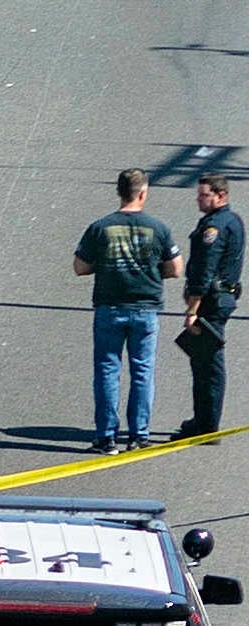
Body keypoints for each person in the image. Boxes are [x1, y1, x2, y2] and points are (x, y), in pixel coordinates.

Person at [74, 167, 180, 452]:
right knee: (143, 370)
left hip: (109, 308)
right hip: (146, 309)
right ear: (143, 193)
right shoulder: (158, 229)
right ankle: (139, 434)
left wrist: (106, 264)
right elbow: (176, 268)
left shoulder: (101, 227)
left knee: (108, 370)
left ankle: (106, 436)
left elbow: (80, 266)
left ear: (119, 191)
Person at [184, 176, 241, 440]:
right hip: (222, 298)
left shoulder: (214, 228)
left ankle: (206, 426)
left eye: (203, 195)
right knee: (205, 362)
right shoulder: (232, 221)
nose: (198, 199)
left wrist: (192, 309)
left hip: (211, 301)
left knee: (207, 364)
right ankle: (204, 419)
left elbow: (205, 270)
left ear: (220, 195)